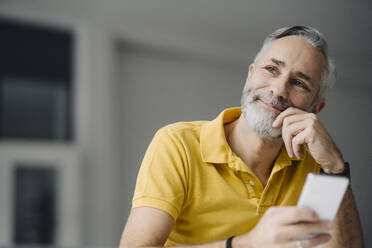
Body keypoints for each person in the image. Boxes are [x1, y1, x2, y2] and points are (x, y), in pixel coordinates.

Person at [119, 26, 363, 248]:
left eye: (299, 83)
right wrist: (247, 243)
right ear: (250, 76)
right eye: (271, 69)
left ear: (315, 109)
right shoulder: (178, 144)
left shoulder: (316, 166)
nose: (278, 90)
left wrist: (335, 168)